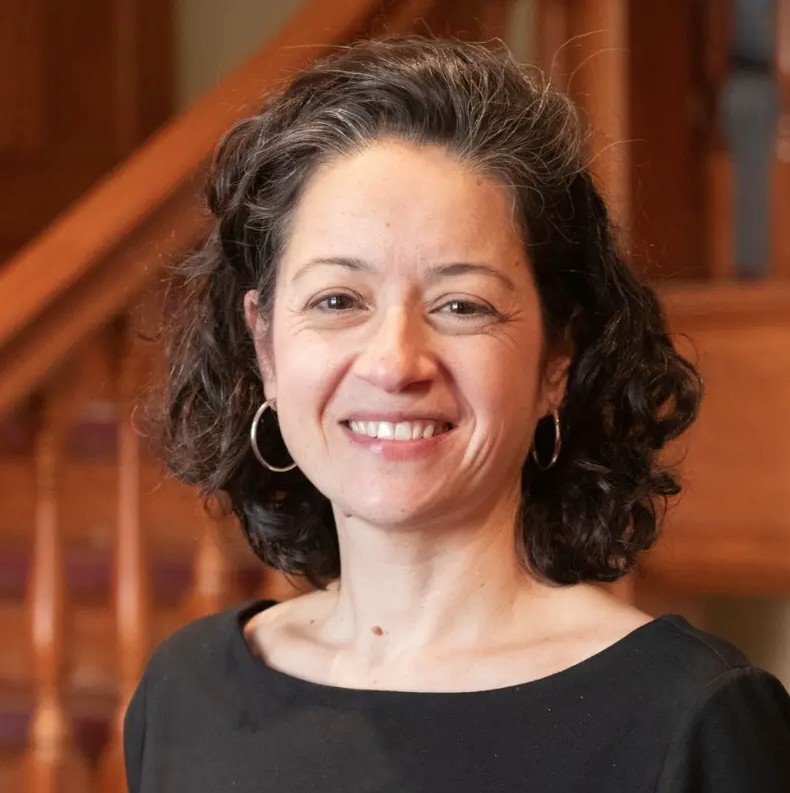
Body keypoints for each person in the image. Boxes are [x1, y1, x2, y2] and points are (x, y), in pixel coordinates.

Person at [124, 36, 790, 792]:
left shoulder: (690, 715)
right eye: (338, 300)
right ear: (267, 347)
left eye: (461, 304)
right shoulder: (185, 694)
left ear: (556, 360)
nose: (394, 361)